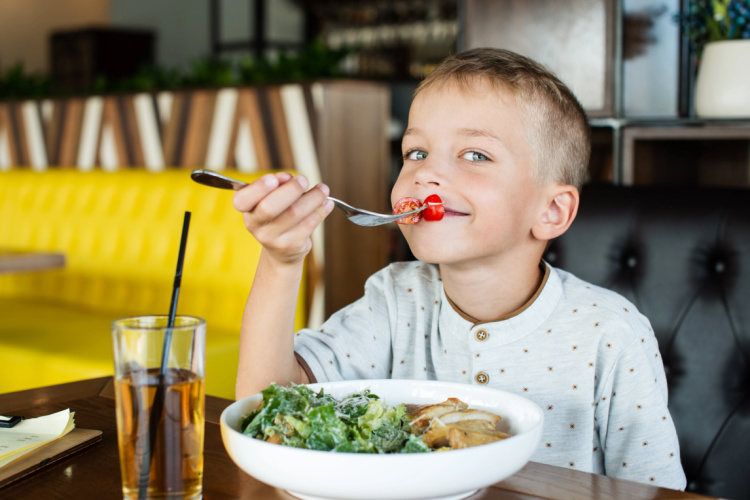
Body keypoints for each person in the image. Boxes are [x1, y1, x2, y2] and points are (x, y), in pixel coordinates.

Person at [232, 48, 687, 490]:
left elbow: (655, 491)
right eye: (415, 152)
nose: (424, 174)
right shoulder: (394, 300)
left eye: (475, 155)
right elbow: (266, 407)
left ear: (551, 210)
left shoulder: (610, 334)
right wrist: (282, 260)